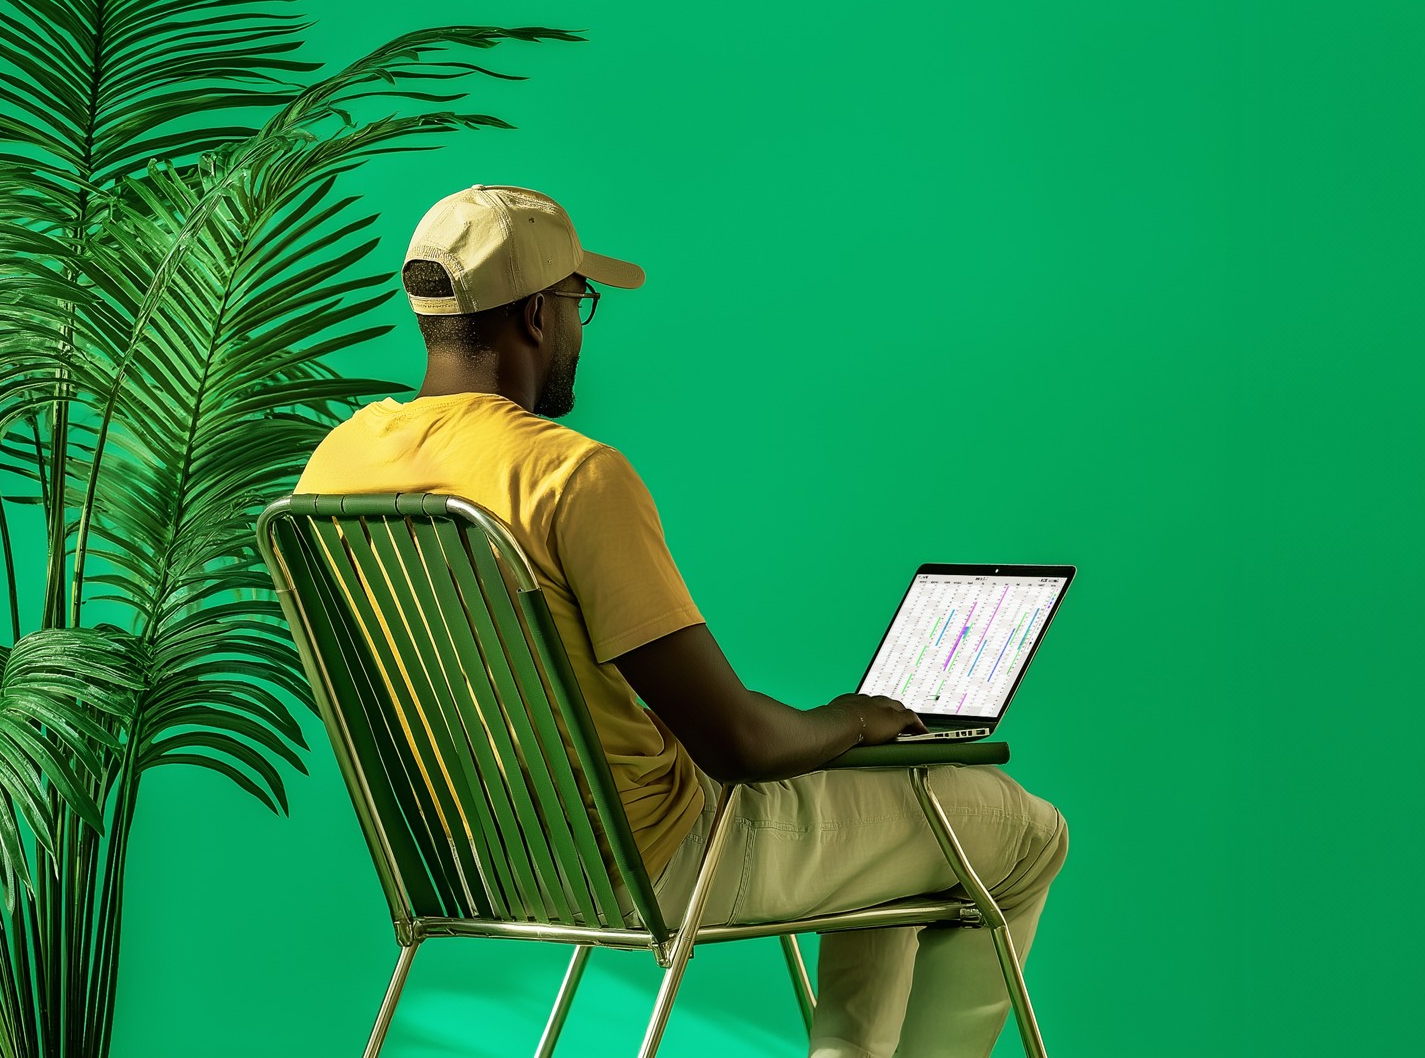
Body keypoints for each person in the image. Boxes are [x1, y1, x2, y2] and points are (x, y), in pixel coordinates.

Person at [294, 184, 1068, 1058]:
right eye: (581, 301)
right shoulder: (566, 474)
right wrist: (853, 718)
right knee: (1020, 829)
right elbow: (736, 744)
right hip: (651, 860)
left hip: (474, 862)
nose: (581, 329)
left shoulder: (338, 464)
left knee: (893, 807)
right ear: (541, 315)